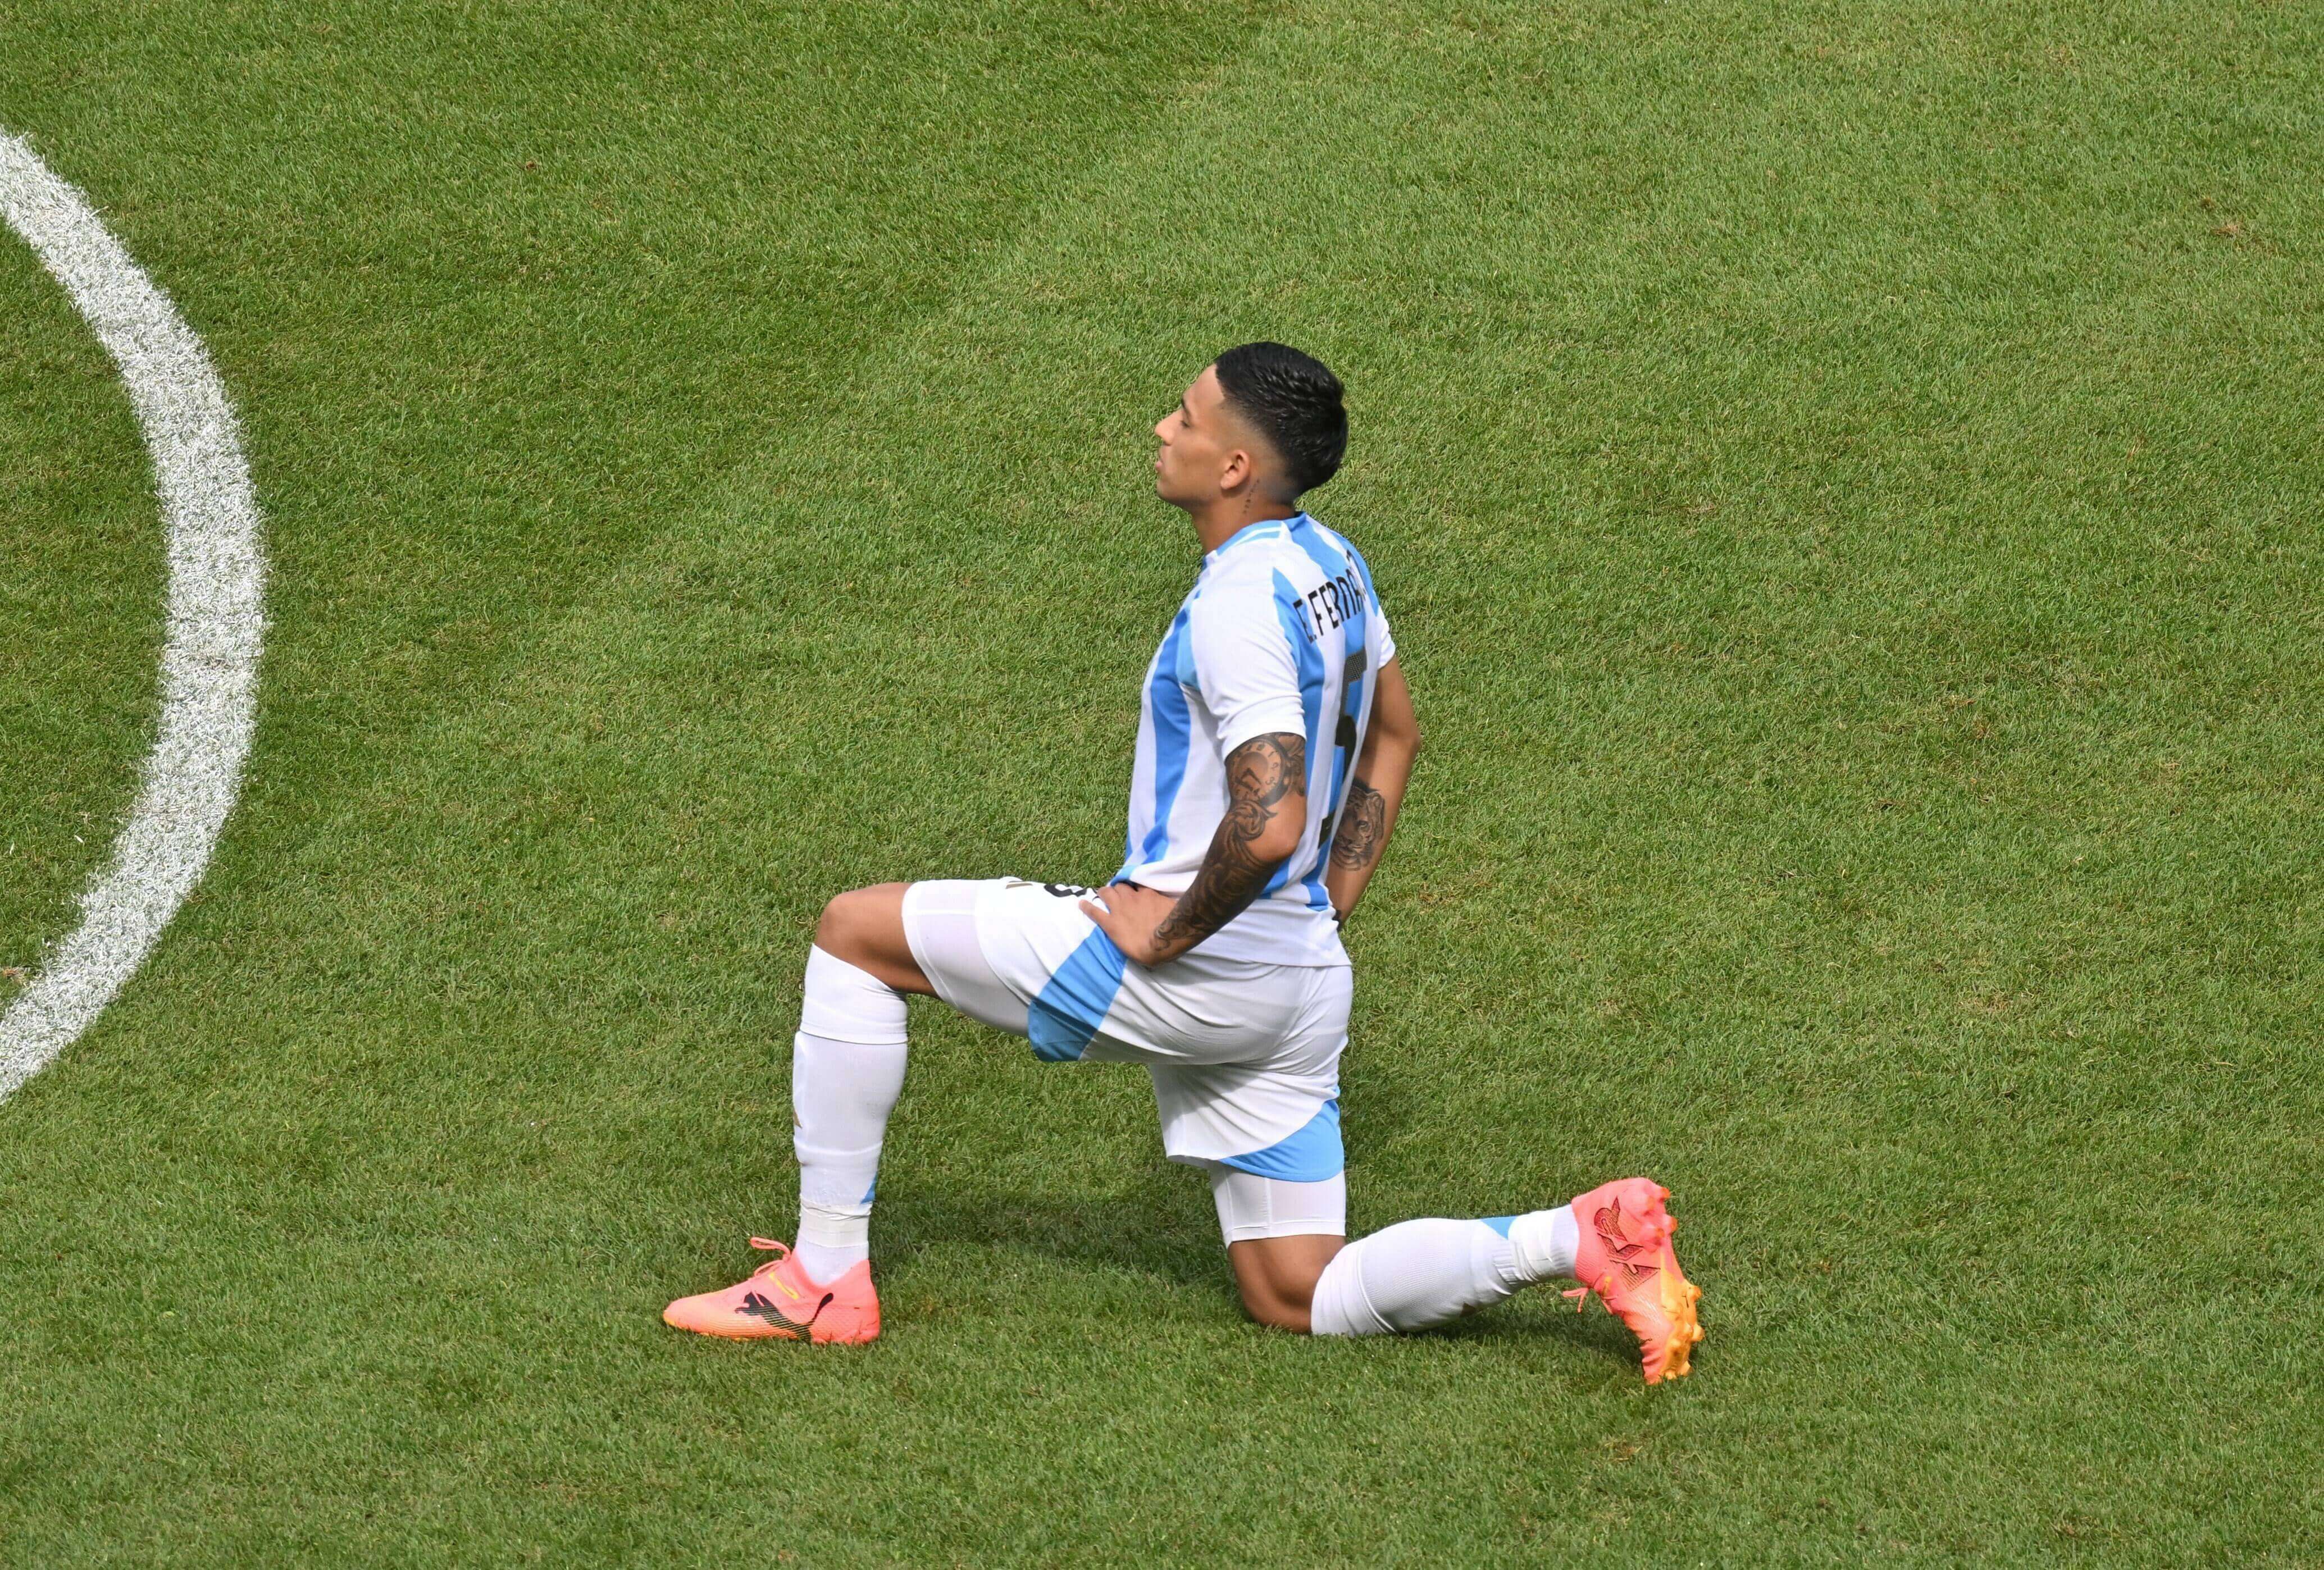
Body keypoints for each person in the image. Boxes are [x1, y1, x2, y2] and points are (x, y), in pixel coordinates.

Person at [664, 342, 1703, 1381]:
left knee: (855, 933)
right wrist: (1324, 910)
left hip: (1198, 976)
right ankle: (1574, 1240)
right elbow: (1396, 735)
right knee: (1298, 1293)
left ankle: (822, 1281)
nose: (1165, 430)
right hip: (1298, 985)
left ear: (1236, 467)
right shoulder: (1331, 563)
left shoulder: (1237, 607)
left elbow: (1269, 822)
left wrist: (1167, 929)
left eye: (1186, 417)